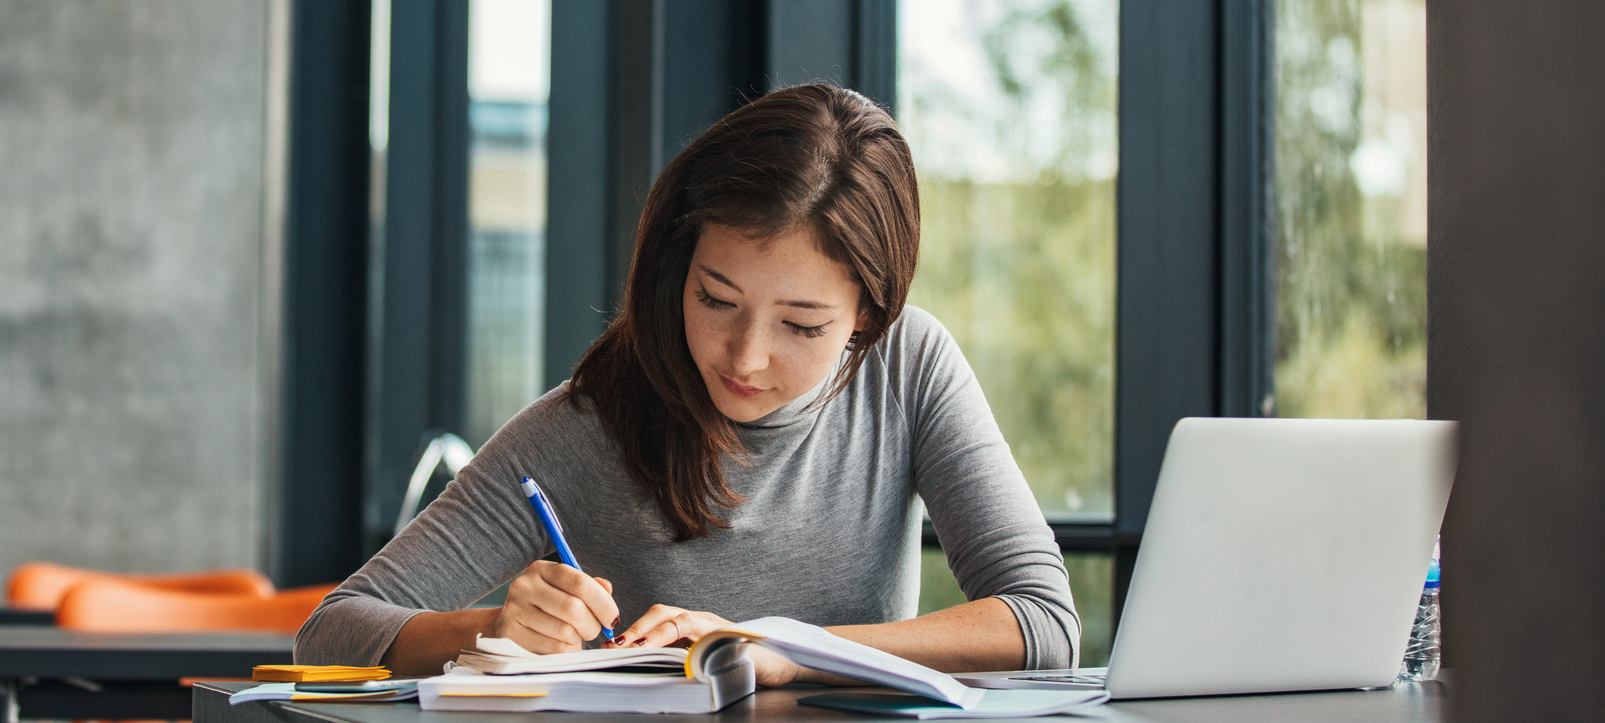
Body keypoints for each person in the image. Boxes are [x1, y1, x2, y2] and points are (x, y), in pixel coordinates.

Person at [295, 83, 1078, 686]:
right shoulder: (590, 423)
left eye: (801, 326)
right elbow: (331, 630)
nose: (745, 357)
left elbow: (1042, 621)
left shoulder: (908, 367)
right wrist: (494, 626)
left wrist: (780, 646)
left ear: (868, 317)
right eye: (715, 299)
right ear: (677, 267)